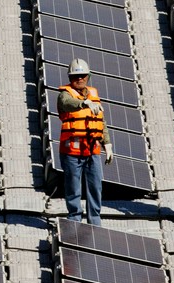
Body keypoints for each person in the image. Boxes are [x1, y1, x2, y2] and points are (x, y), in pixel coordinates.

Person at [57, 59, 113, 226]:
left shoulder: (94, 95)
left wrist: (107, 144)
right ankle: (74, 220)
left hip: (92, 150)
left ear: (88, 76)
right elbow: (66, 104)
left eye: (82, 76)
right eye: (75, 76)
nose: (79, 79)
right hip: (71, 153)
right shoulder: (65, 94)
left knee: (95, 187)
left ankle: (95, 222)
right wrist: (83, 103)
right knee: (73, 189)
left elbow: (101, 122)